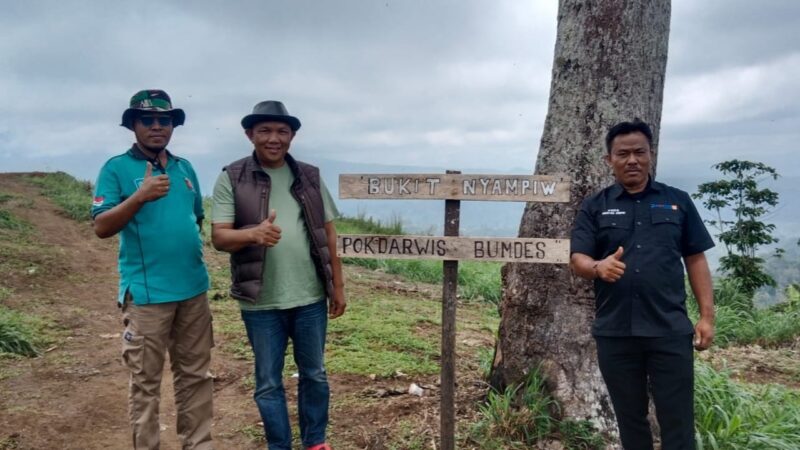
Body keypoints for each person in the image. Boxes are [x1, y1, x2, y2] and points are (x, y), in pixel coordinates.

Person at [569, 119, 715, 450]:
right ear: (609, 160)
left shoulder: (678, 201)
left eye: (639, 152)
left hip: (669, 330)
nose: (632, 160)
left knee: (677, 420)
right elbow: (578, 258)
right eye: (623, 153)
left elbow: (696, 259)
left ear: (651, 155)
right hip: (616, 332)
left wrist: (707, 317)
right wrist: (597, 267)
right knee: (630, 420)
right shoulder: (595, 206)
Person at [211, 100, 346, 450]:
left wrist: (338, 286)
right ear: (250, 134)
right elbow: (220, 237)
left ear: (293, 136)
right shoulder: (232, 176)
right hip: (261, 301)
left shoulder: (309, 175)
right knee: (268, 381)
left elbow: (327, 232)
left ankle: (315, 441)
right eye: (265, 131)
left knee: (314, 374)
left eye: (282, 131)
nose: (274, 138)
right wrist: (252, 234)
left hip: (310, 297)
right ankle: (278, 444)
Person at [92, 89, 214, 449]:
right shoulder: (116, 168)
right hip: (147, 296)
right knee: (145, 382)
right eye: (148, 120)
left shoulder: (185, 167)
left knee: (196, 376)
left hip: (193, 290)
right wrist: (139, 196)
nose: (158, 127)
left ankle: (199, 445)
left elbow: (196, 217)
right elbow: (102, 227)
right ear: (133, 125)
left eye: (165, 120)